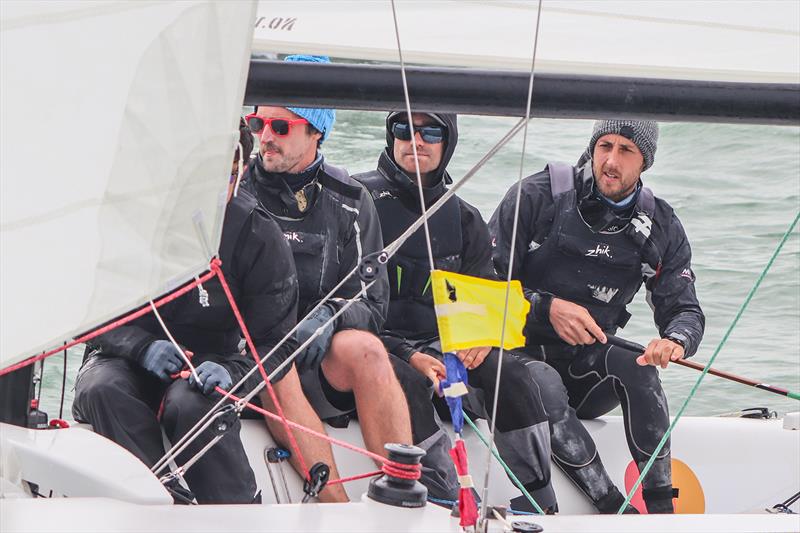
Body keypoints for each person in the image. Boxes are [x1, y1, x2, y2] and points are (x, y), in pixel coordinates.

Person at [73, 119, 348, 504]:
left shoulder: (258, 235)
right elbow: (89, 311)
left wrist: (233, 371)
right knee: (104, 389)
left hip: (209, 367)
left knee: (193, 405)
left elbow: (276, 345)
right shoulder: (134, 221)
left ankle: (239, 513)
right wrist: (141, 348)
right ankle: (161, 501)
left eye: (227, 175)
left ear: (239, 170)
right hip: (122, 357)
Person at [489, 119, 705, 514]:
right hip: (513, 365)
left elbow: (684, 309)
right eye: (604, 145)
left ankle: (661, 511)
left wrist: (675, 341)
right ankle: (611, 508)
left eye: (626, 151)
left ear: (645, 162)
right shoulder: (537, 196)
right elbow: (478, 290)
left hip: (583, 371)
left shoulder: (659, 224)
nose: (610, 160)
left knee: (639, 365)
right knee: (544, 381)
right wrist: (546, 307)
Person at [354, 111, 557, 512]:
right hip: (377, 347)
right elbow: (347, 303)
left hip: (442, 348)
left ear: (448, 142)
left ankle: (539, 497)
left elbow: (485, 298)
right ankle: (445, 494)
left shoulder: (463, 217)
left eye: (431, 131)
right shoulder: (358, 200)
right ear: (390, 135)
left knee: (511, 372)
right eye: (403, 129)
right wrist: (408, 353)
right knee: (408, 381)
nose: (416, 140)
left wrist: (481, 337)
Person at [241, 55, 413, 465]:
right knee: (272, 363)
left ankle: (404, 485)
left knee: (368, 350)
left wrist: (330, 318)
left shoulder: (351, 201)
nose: (266, 136)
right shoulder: (235, 191)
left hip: (314, 364)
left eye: (281, 127)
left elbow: (373, 304)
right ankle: (332, 501)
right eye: (258, 124)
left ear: (316, 132)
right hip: (245, 360)